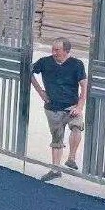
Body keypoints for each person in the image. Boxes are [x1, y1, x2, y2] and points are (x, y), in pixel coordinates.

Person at [32, 37, 88, 181]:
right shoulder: (44, 62)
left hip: (72, 106)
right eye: (53, 49)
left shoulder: (77, 64)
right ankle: (55, 170)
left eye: (57, 50)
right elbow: (28, 72)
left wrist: (80, 106)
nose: (54, 52)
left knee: (76, 127)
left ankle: (71, 158)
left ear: (66, 51)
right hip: (53, 108)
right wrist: (40, 91)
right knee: (57, 139)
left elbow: (84, 86)